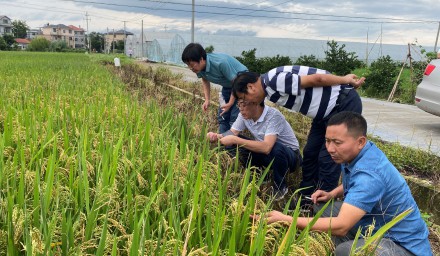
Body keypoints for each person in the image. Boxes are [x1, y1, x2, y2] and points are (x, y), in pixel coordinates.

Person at [258, 111, 432, 256]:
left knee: (345, 251)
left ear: (360, 141)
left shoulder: (370, 175)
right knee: (321, 208)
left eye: (337, 143)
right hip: (373, 222)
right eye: (327, 141)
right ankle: (352, 238)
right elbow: (355, 181)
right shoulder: (358, 152)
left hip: (402, 245)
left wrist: (287, 219)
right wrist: (333, 193)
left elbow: (341, 225)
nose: (330, 149)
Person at [232, 67, 365, 199]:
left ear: (250, 87)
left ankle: (323, 203)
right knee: (310, 153)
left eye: (245, 97)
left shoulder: (273, 81)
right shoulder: (269, 90)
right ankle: (306, 197)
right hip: (322, 115)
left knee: (328, 156)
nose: (249, 102)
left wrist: (345, 79)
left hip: (342, 103)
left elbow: (317, 79)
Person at [207, 100, 302, 200]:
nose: (241, 109)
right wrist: (217, 136)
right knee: (235, 143)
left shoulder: (274, 115)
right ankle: (259, 175)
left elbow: (267, 147)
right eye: (239, 105)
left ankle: (280, 187)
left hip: (290, 157)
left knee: (275, 147)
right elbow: (232, 133)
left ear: (256, 103)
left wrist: (235, 139)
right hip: (268, 153)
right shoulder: (243, 115)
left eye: (244, 105)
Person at [182, 43, 248, 133]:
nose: (190, 68)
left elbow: (237, 83)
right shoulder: (199, 68)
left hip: (242, 85)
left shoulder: (220, 63)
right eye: (188, 65)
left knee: (234, 117)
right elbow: (205, 80)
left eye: (192, 64)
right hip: (228, 86)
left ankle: (233, 145)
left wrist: (231, 102)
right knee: (223, 116)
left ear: (201, 59)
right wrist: (207, 100)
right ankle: (223, 143)